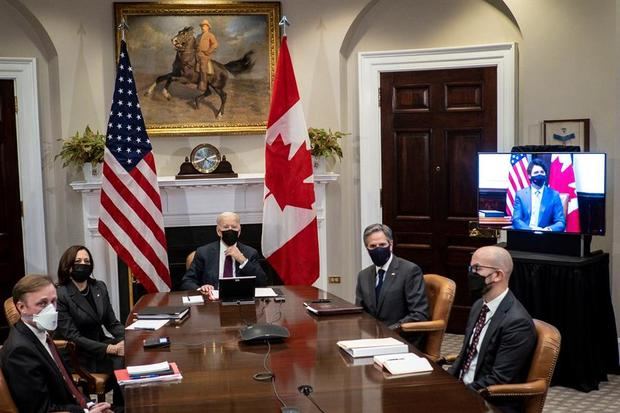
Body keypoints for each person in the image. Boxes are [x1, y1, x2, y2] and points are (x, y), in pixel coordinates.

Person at [0, 274, 113, 413]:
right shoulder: (19, 351)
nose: (51, 310)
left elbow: (68, 384)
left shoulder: (40, 332)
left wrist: (90, 406)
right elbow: (42, 410)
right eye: (42, 303)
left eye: (53, 301)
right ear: (22, 307)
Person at [449, 246, 536, 413]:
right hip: (464, 389)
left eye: (477, 269)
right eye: (470, 268)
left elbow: (498, 380)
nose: (471, 274)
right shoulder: (479, 306)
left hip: (490, 402)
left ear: (498, 275)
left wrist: (458, 394)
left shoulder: (517, 322)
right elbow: (465, 355)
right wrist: (445, 383)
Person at [55, 245, 125, 407]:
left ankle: (121, 405)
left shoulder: (98, 287)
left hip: (98, 343)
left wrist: (129, 337)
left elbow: (112, 323)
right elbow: (72, 336)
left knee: (131, 353)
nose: (83, 264)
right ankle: (119, 407)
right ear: (68, 266)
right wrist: (112, 349)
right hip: (76, 352)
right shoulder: (61, 294)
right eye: (78, 261)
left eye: (87, 261)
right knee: (120, 359)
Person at [355, 224, 429, 345]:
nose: (378, 249)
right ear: (367, 248)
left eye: (382, 245)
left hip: (402, 340)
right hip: (371, 340)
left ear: (391, 244)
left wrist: (389, 331)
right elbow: (360, 313)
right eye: (373, 246)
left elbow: (419, 314)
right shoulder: (363, 276)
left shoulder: (410, 271)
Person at [180, 211, 267, 298]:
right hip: (212, 302)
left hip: (242, 300)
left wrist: (243, 260)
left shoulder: (250, 253)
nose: (230, 230)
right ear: (218, 231)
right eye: (225, 227)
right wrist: (201, 289)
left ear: (239, 231)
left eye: (234, 227)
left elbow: (262, 282)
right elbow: (187, 281)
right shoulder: (204, 252)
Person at [511, 158, 566, 231]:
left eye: (542, 172)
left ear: (545, 174)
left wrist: (548, 230)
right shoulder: (521, 195)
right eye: (536, 172)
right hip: (526, 233)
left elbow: (560, 222)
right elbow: (516, 219)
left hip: (545, 236)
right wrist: (530, 230)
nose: (539, 174)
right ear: (529, 176)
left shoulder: (554, 195)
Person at [195, 19, 218, 91]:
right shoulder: (198, 36)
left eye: (204, 26)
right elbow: (195, 44)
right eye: (202, 26)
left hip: (204, 55)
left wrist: (208, 51)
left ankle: (203, 84)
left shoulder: (210, 35)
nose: (202, 27)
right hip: (197, 54)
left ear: (208, 27)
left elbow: (215, 44)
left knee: (202, 67)